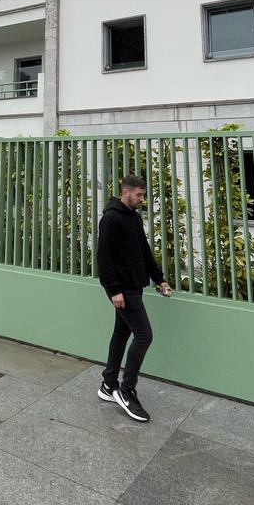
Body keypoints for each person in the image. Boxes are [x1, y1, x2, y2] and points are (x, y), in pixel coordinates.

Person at [96, 174, 171, 422]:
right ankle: (126, 391)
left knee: (121, 333)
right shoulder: (110, 218)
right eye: (139, 195)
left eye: (143, 194)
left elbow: (144, 251)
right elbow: (104, 258)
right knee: (144, 335)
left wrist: (159, 279)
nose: (142, 199)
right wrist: (113, 290)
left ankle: (108, 385)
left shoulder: (134, 218)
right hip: (123, 290)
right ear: (125, 191)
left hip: (134, 286)